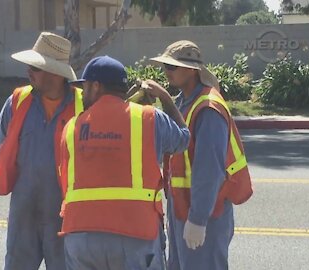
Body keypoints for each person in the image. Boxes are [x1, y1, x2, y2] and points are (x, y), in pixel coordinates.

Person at [58, 55, 191, 270]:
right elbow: (183, 138)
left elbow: (65, 181)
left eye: (84, 89)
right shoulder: (149, 118)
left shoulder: (72, 128)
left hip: (81, 235)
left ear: (96, 86)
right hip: (135, 234)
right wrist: (166, 98)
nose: (81, 95)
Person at [149, 40, 252, 269]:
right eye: (165, 66)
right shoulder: (184, 103)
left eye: (172, 67)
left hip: (205, 213)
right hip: (182, 210)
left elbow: (209, 170)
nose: (166, 72)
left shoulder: (208, 108)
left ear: (191, 70)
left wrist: (198, 219)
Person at [0, 32, 84, 270]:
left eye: (35, 67)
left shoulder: (83, 105)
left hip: (65, 214)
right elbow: (1, 143)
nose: (28, 71)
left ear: (55, 73)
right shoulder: (17, 101)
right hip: (24, 212)